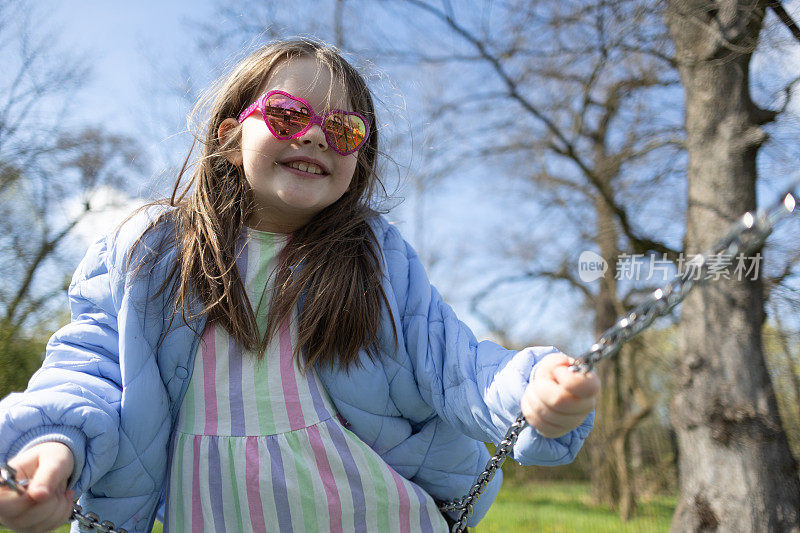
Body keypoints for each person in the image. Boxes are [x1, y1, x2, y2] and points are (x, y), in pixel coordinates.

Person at [0, 38, 600, 533]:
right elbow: (92, 369)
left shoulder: (376, 259)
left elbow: (455, 363)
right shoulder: (150, 254)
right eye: (289, 115)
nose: (315, 136)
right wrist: (56, 443)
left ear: (357, 162)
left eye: (343, 131)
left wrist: (531, 391)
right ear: (230, 138)